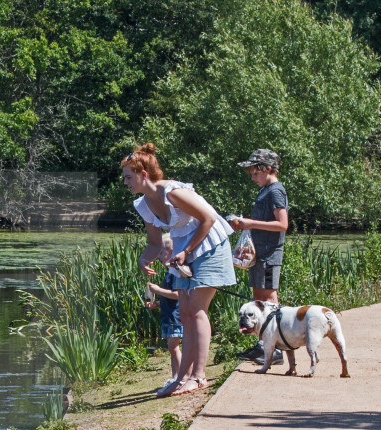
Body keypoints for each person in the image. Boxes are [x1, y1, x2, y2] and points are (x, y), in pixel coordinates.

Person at [122, 143, 235, 397]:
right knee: (184, 313)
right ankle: (181, 377)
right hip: (184, 251)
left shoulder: (173, 192)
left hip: (209, 246)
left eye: (129, 177)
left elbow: (209, 219)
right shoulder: (143, 204)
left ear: (143, 174)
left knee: (196, 311)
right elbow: (154, 242)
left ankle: (199, 376)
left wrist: (186, 251)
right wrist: (144, 259)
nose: (126, 182)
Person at [229, 149, 289, 365]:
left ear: (267, 169)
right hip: (259, 253)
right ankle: (264, 344)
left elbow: (283, 224)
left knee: (269, 300)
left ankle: (277, 349)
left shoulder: (275, 191)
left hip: (269, 254)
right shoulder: (265, 190)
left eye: (255, 173)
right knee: (259, 299)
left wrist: (251, 223)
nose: (252, 178)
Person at [145, 259, 183, 394]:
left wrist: (158, 290)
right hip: (167, 316)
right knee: (171, 348)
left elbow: (179, 295)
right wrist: (157, 304)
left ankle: (180, 378)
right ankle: (175, 377)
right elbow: (169, 299)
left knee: (174, 347)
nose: (160, 257)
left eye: (163, 252)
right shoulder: (169, 273)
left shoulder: (176, 273)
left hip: (175, 317)